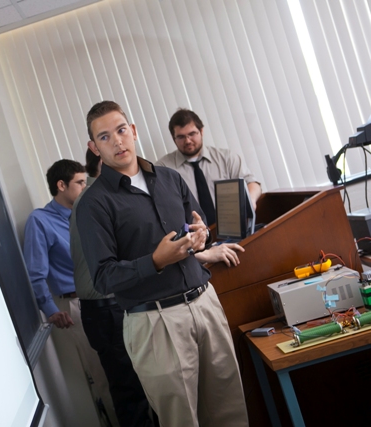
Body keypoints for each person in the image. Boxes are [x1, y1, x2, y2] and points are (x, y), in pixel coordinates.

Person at [76, 101, 249, 427]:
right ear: (94, 147)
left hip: (205, 304)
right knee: (181, 420)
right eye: (104, 137)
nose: (117, 141)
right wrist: (155, 261)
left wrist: (201, 236)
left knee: (231, 412)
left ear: (133, 131)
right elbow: (103, 277)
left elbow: (197, 228)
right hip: (155, 322)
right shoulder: (93, 203)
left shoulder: (170, 178)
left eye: (121, 130)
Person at [23, 159, 118, 427]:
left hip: (111, 298)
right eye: (80, 183)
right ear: (61, 185)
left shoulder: (88, 213)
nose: (85, 187)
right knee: (104, 376)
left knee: (126, 371)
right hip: (76, 305)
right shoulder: (40, 221)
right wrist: (50, 309)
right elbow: (36, 272)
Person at [70, 150, 156, 427]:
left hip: (107, 307)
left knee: (136, 390)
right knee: (132, 393)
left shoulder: (96, 197)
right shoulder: (97, 201)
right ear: (101, 162)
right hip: (108, 309)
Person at [157, 108, 261, 266]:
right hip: (195, 246)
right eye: (181, 137)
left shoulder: (226, 158)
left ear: (201, 131)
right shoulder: (163, 169)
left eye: (192, 134)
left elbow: (252, 183)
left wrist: (250, 200)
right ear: (173, 138)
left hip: (232, 235)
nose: (188, 141)